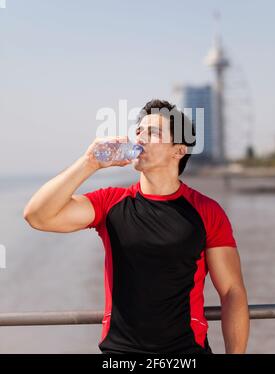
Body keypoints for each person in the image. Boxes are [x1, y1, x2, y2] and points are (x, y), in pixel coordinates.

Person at [23, 98, 249, 354]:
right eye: (139, 130)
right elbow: (38, 215)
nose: (140, 137)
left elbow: (232, 291)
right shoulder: (111, 203)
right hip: (121, 355)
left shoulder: (207, 211)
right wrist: (89, 162)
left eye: (153, 132)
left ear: (178, 150)